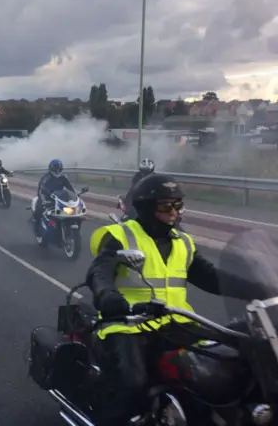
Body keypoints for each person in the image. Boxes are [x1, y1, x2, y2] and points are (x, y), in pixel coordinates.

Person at [86, 173, 258, 423]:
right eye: (166, 206)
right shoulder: (122, 235)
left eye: (178, 206)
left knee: (229, 364)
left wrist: (256, 287)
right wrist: (108, 296)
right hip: (128, 323)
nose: (175, 212)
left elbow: (211, 278)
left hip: (177, 322)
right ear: (145, 208)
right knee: (133, 384)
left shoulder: (183, 242)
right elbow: (99, 270)